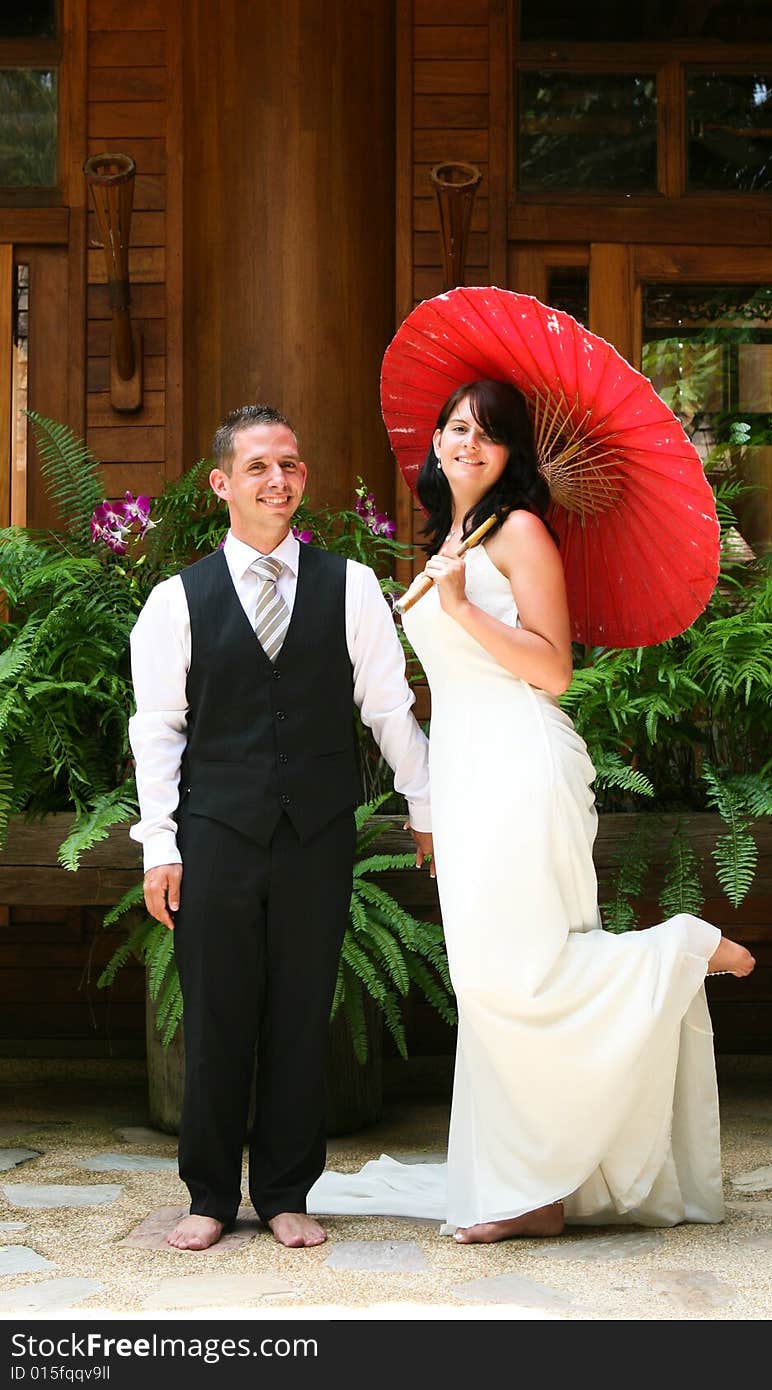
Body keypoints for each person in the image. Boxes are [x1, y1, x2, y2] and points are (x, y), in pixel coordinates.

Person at [310, 378, 755, 1244]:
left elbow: (555, 670)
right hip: (468, 769)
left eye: (487, 434)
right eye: (455, 427)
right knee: (486, 981)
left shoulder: (521, 532)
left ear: (512, 454)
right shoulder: (448, 538)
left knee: (519, 974)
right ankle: (533, 1190)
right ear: (435, 440)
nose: (466, 443)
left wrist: (463, 609)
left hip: (520, 757)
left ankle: (677, 950)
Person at [128, 403, 433, 1252]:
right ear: (222, 483)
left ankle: (289, 1191)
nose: (279, 479)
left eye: (291, 465)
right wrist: (161, 845)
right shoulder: (175, 599)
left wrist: (426, 805)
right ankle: (209, 1196)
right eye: (259, 466)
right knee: (217, 1014)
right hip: (216, 833)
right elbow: (156, 728)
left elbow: (387, 707)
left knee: (304, 1013)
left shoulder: (352, 586)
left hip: (317, 832)